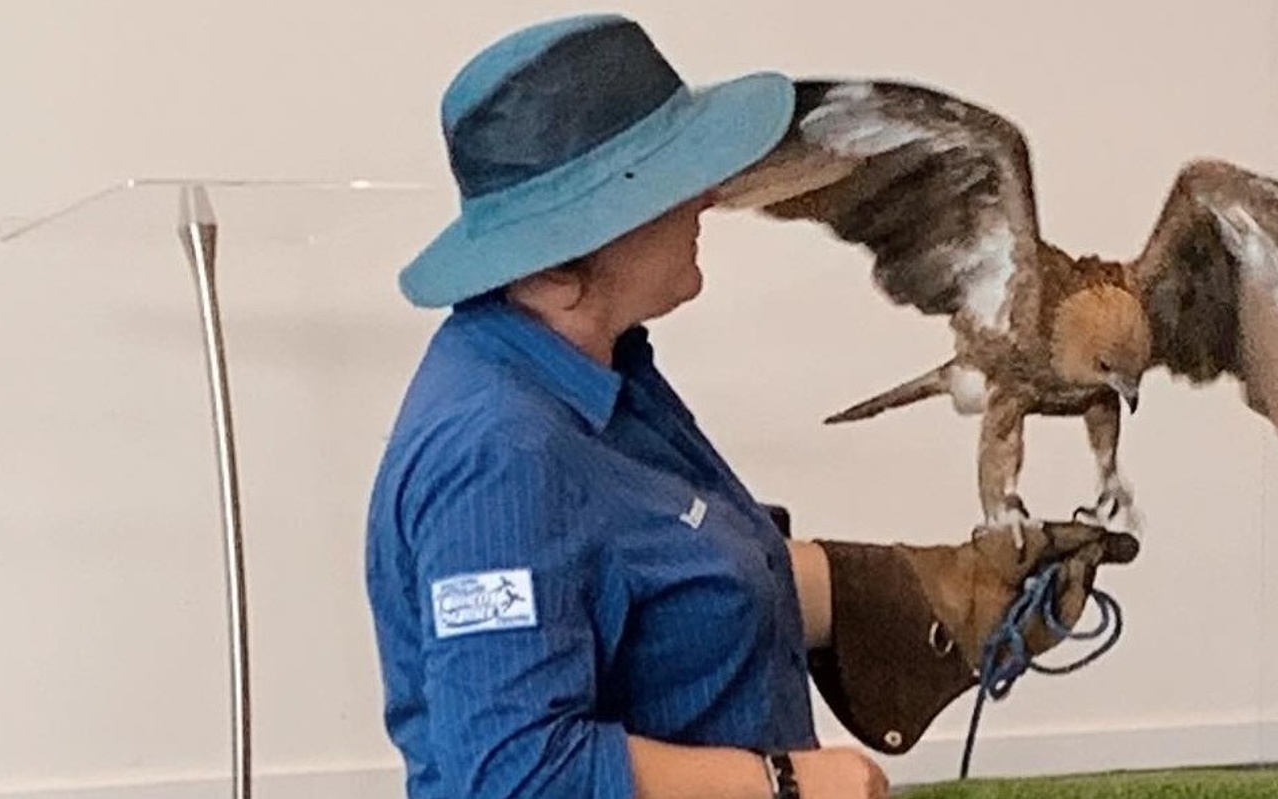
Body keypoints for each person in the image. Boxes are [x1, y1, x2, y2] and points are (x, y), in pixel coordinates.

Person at [364, 12, 1137, 799]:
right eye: (671, 179)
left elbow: (652, 591)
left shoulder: (603, 374)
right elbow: (517, 777)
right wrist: (789, 784)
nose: (708, 195)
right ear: (568, 256)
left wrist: (924, 588)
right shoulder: (498, 454)